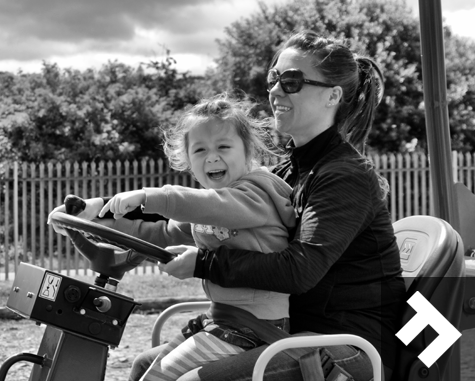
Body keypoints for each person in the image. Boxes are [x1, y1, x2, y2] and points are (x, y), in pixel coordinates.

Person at [48, 30, 405, 381]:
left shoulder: (344, 176)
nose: (276, 90)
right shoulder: (284, 172)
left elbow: (299, 270)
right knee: (144, 365)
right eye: (274, 78)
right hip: (288, 335)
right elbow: (179, 230)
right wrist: (97, 219)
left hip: (347, 347)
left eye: (292, 81)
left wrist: (205, 263)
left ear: (333, 96)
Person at [95, 93, 297, 381]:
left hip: (256, 329)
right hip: (224, 323)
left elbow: (212, 206)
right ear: (187, 160)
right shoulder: (209, 208)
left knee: (158, 378)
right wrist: (99, 223)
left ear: (248, 151)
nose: (212, 156)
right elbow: (163, 233)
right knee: (144, 367)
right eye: (200, 150)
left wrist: (149, 196)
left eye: (224, 146)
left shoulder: (254, 196)